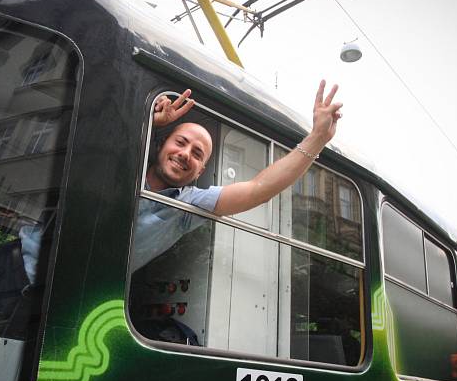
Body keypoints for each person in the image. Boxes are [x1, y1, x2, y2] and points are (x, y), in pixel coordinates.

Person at [131, 79, 343, 271]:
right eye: (180, 143)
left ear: (200, 171)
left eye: (197, 154)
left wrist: (317, 137)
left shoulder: (188, 205)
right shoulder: (126, 156)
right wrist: (147, 120)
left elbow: (257, 189)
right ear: (160, 144)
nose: (185, 154)